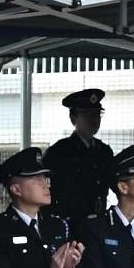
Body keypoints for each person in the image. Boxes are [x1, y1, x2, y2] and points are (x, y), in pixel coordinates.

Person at [44, 87, 124, 238]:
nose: (94, 120)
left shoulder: (104, 151)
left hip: (98, 224)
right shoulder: (59, 152)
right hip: (69, 226)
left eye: (97, 114)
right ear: (73, 118)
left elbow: (115, 184)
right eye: (87, 115)